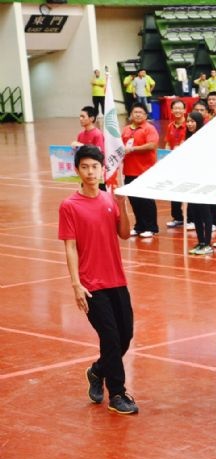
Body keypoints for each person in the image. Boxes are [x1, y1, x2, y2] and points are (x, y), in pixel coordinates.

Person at [58, 145, 138, 415]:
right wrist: (75, 285)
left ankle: (97, 371)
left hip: (117, 280)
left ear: (102, 169)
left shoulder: (108, 200)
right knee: (111, 338)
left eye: (95, 167)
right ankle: (117, 393)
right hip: (91, 285)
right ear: (77, 170)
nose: (90, 172)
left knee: (125, 336)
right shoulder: (69, 206)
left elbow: (125, 234)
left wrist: (123, 205)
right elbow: (70, 247)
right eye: (85, 167)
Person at [122, 102, 159, 238]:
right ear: (131, 114)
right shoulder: (126, 129)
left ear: (145, 115)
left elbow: (151, 145)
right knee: (134, 201)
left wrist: (133, 149)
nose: (137, 114)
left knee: (146, 200)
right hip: (129, 170)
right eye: (135, 112)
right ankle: (139, 226)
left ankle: (151, 227)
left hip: (145, 170)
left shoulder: (149, 129)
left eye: (140, 112)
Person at [184, 111, 214, 255]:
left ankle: (208, 243)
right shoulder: (188, 138)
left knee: (205, 212)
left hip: (203, 181)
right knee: (195, 212)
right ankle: (200, 241)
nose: (189, 124)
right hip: (191, 181)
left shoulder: (205, 138)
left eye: (192, 121)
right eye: (188, 121)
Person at [164, 99, 191, 229]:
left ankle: (191, 218)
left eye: (180, 108)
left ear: (185, 110)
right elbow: (168, 142)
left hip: (186, 163)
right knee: (173, 190)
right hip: (173, 164)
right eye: (175, 108)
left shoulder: (189, 125)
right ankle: (177, 217)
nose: (178, 111)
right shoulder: (170, 126)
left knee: (188, 189)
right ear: (171, 110)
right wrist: (165, 155)